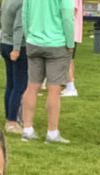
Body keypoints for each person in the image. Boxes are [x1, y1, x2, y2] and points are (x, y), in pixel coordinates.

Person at [20, 0, 74, 144]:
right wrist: (70, 42)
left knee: (32, 86)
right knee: (54, 90)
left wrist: (28, 36)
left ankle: (27, 129)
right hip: (57, 43)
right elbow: (68, 17)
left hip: (34, 41)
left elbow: (24, 14)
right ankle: (52, 132)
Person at [0, 0, 27, 134]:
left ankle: (9, 116)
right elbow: (19, 27)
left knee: (10, 84)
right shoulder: (23, 2)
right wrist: (16, 48)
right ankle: (12, 122)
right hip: (17, 46)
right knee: (19, 86)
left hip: (4, 42)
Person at [63, 0, 82, 97]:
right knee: (70, 59)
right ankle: (69, 84)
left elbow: (71, 12)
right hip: (73, 32)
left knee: (67, 60)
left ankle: (71, 87)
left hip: (69, 32)